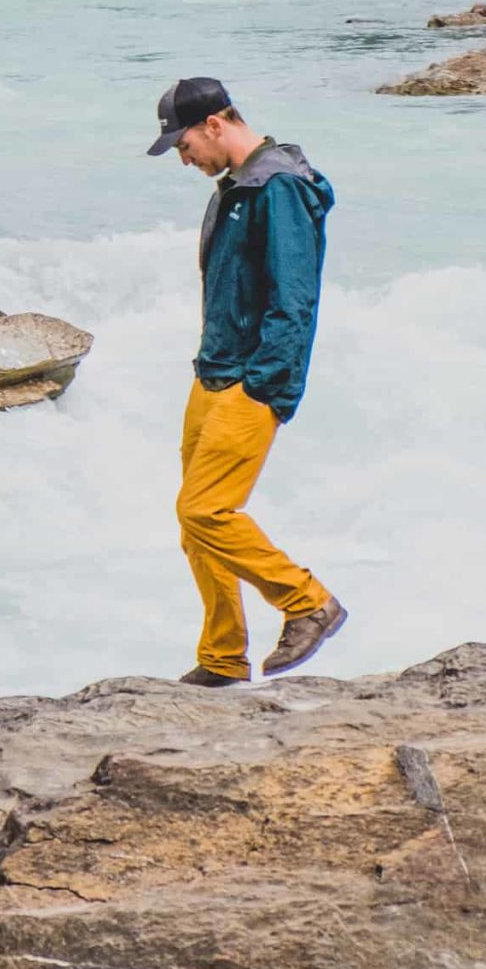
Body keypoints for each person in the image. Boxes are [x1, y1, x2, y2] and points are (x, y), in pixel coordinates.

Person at [148, 76, 346, 686]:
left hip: (251, 379)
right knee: (194, 523)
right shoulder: (236, 186)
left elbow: (295, 300)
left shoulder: (278, 187)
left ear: (215, 124)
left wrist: (265, 384)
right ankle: (222, 658)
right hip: (215, 372)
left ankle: (308, 602)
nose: (184, 160)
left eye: (183, 146)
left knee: (207, 509)